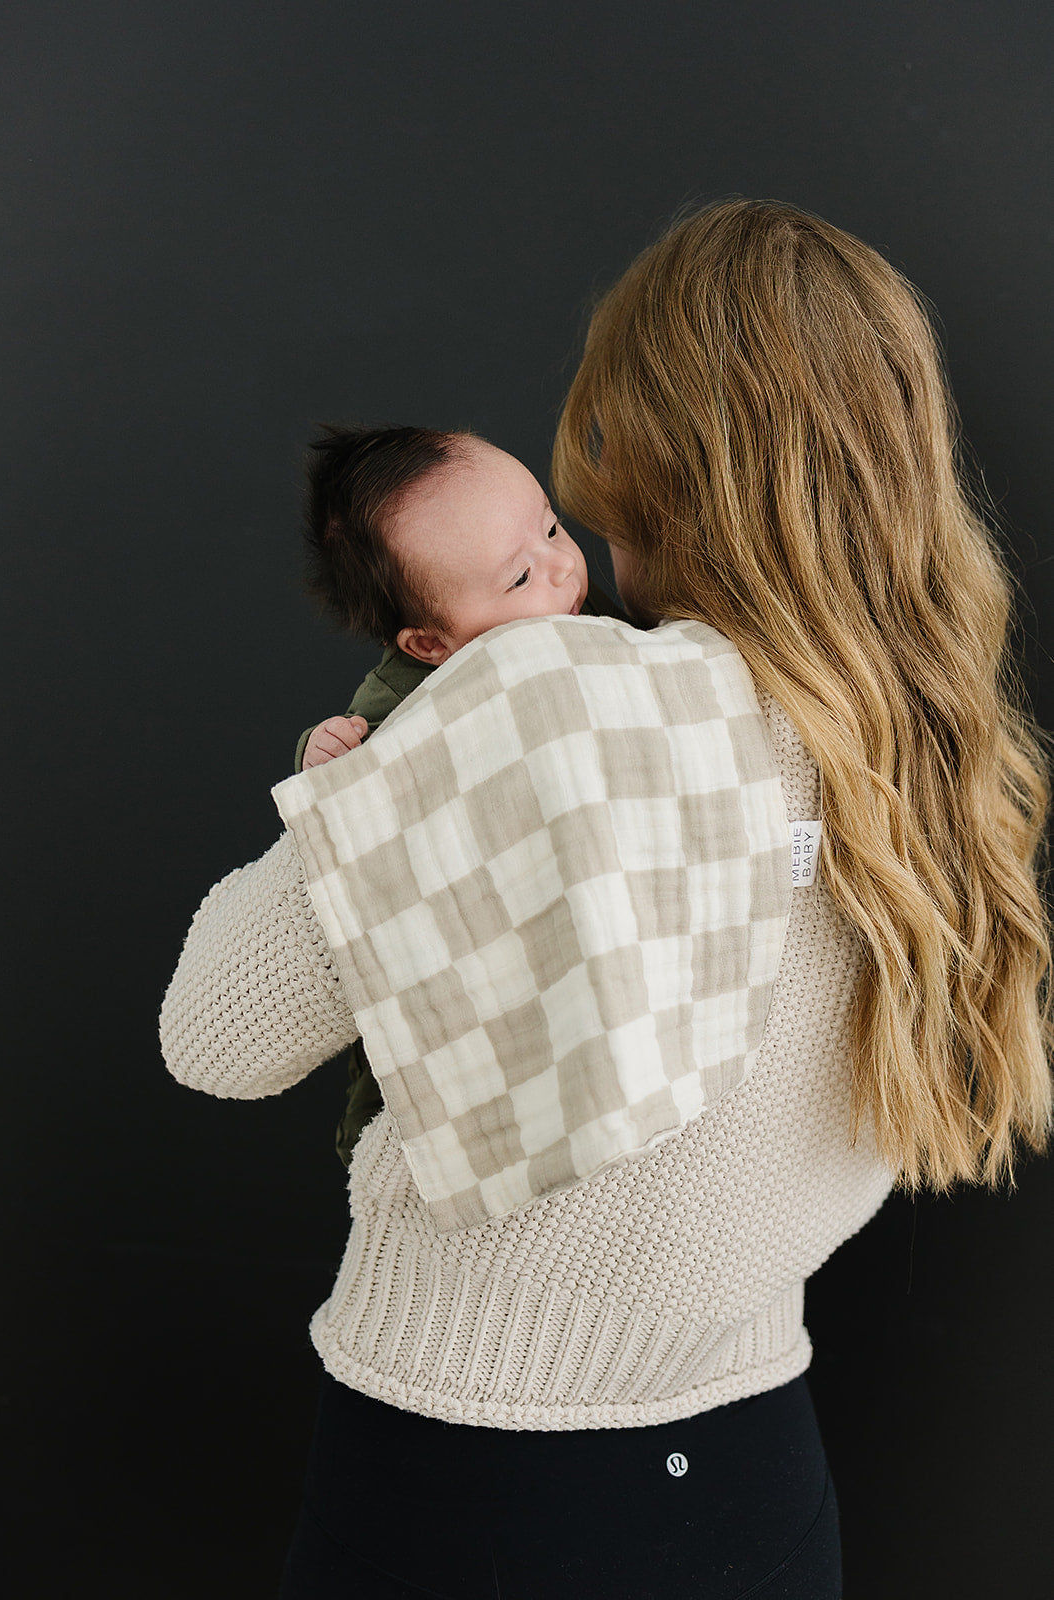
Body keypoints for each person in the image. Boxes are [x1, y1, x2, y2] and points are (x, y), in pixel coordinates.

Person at [159, 199, 1053, 1599]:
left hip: (478, 1480)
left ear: (642, 455)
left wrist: (362, 785)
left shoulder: (544, 704)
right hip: (756, 1476)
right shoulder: (934, 753)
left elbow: (211, 1038)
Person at [292, 425, 627, 1172]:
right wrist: (329, 758)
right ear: (430, 645)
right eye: (518, 578)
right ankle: (374, 1132)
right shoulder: (404, 696)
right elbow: (352, 795)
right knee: (408, 1039)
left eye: (550, 525)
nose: (562, 568)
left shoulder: (575, 610)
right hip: (446, 943)